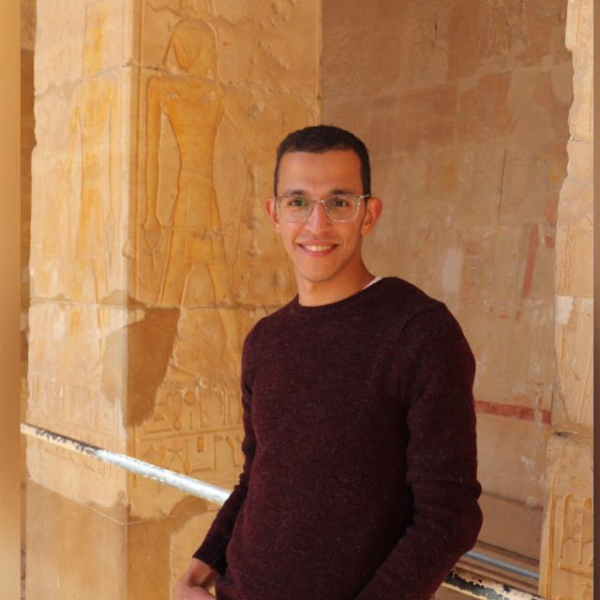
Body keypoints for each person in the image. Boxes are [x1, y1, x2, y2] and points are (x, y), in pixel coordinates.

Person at [175, 125, 483, 600]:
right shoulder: (265, 341)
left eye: (339, 202)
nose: (317, 225)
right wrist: (197, 572)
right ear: (274, 214)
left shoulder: (420, 333)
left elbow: (449, 516)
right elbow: (257, 476)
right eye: (298, 202)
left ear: (368, 214)